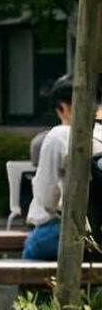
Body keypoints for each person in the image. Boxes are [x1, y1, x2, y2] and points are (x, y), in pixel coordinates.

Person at [24, 75, 101, 262]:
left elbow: (47, 200)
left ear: (63, 107)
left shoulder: (59, 136)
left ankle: (33, 292)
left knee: (33, 245)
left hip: (77, 231)